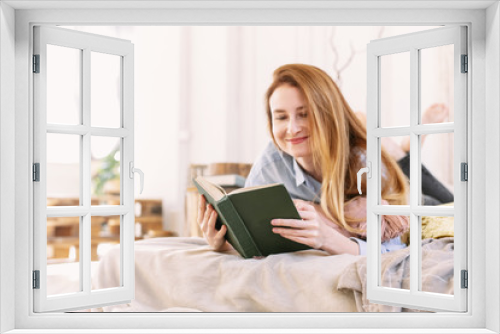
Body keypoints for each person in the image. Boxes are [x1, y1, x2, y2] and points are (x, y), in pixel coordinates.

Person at [198, 63, 411, 256]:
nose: (292, 129)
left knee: (432, 195)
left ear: (327, 114)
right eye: (281, 117)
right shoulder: (270, 165)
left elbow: (393, 251)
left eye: (304, 114)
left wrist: (327, 238)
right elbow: (255, 240)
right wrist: (224, 244)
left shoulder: (366, 163)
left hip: (413, 195)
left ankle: (403, 149)